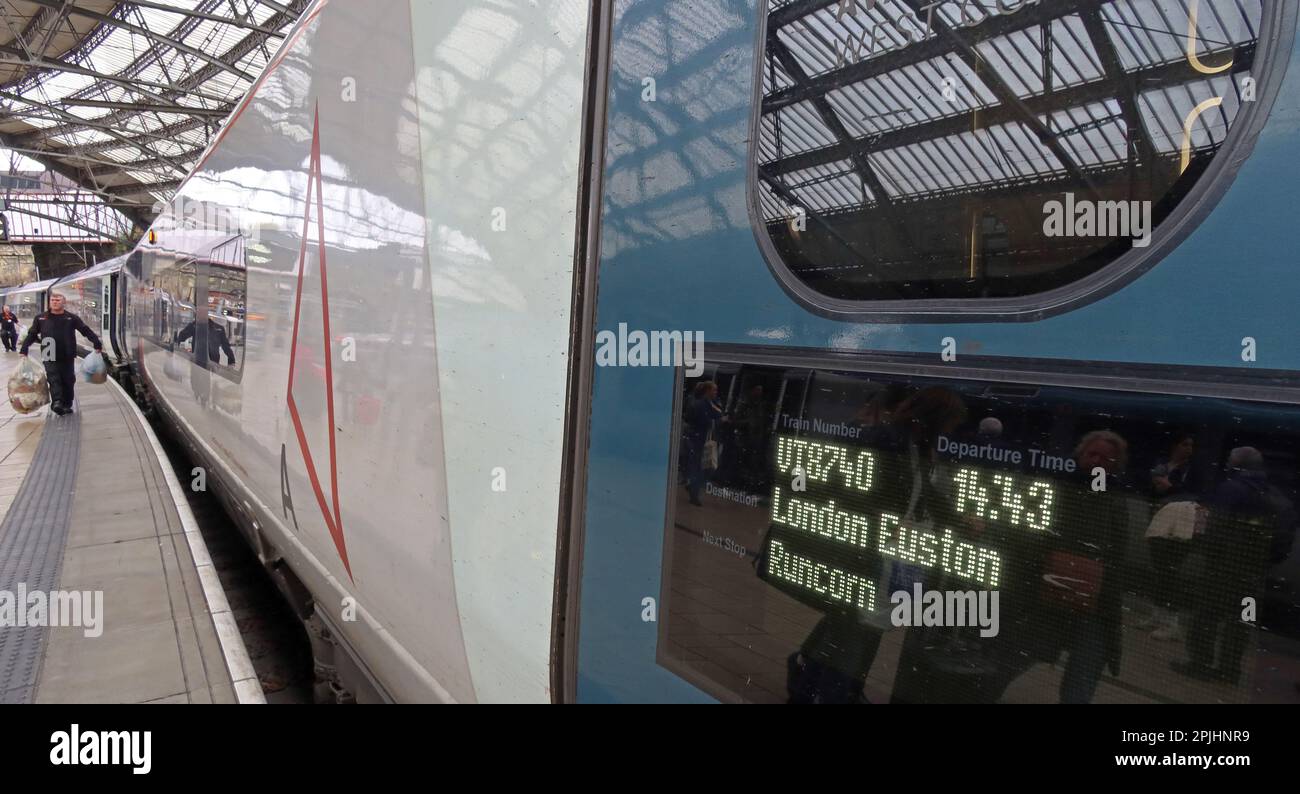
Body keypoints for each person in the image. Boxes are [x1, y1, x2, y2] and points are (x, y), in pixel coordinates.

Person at [1172, 447, 1289, 685]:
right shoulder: (1275, 495)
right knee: (1241, 622)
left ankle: (1200, 663)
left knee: (1207, 615)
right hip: (1255, 571)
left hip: (1223, 568)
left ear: (1236, 465)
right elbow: (1282, 539)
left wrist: (1206, 550)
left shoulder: (1230, 489)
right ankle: (1229, 670)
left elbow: (1211, 525)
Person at [19, 293, 103, 416]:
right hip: (49, 353)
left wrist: (96, 342)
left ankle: (67, 403)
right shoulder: (41, 318)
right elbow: (32, 334)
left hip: (67, 353)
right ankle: (57, 402)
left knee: (68, 380)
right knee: (54, 378)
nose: (55, 302)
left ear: (64, 302)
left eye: (58, 300)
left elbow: (85, 330)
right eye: (52, 300)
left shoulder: (71, 318)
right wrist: (24, 349)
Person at [683, 381, 724, 506]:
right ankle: (694, 492)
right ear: (707, 391)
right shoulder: (700, 404)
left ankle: (693, 486)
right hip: (699, 440)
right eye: (714, 390)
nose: (716, 393)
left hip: (705, 440)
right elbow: (704, 421)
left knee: (706, 467)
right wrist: (718, 421)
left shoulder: (712, 403)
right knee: (701, 467)